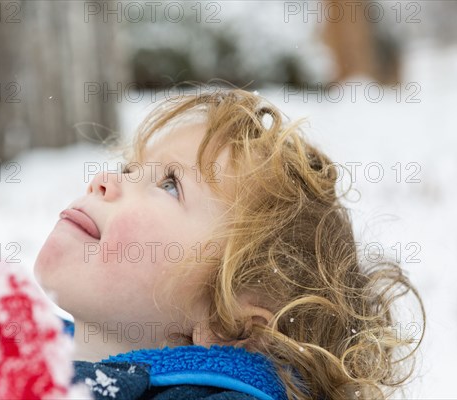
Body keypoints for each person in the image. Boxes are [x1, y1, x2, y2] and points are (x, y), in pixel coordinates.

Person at [34, 88, 425, 400]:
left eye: (169, 184)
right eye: (129, 168)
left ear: (228, 325)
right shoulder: (24, 354)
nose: (104, 179)